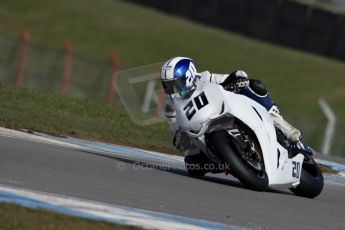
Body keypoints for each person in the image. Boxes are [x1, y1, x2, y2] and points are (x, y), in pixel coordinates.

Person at [160, 57, 312, 159]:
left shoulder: (205, 78)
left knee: (255, 86)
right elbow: (178, 137)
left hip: (222, 114)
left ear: (189, 75)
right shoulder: (170, 107)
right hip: (201, 138)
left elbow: (230, 77)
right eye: (168, 86)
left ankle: (290, 134)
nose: (172, 90)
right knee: (192, 164)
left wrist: (238, 79)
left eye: (175, 84)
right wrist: (180, 137)